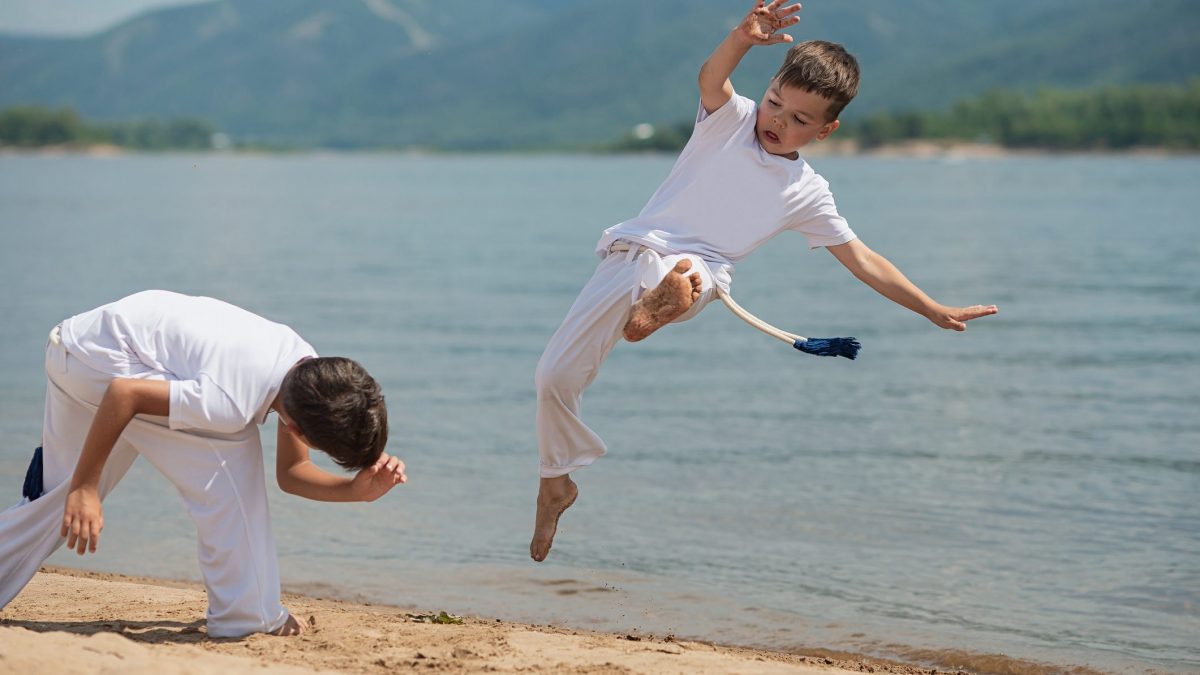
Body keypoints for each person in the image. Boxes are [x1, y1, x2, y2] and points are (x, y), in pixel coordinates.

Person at [530, 0, 997, 562]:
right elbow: (711, 78)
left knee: (682, 274)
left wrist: (930, 307)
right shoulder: (728, 123)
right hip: (627, 253)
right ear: (768, 88)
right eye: (775, 103)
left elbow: (863, 259)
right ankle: (557, 481)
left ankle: (663, 303)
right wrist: (741, 37)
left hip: (701, 270)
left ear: (827, 130)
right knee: (552, 376)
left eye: (800, 119)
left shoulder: (808, 192)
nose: (777, 120)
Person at [0, 290, 407, 637]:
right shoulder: (228, 401)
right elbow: (124, 395)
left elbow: (290, 475)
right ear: (300, 430)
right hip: (102, 369)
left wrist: (355, 491)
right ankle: (247, 615)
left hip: (75, 347)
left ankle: (247, 610)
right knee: (233, 452)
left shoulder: (307, 373)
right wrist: (86, 488)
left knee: (56, 505)